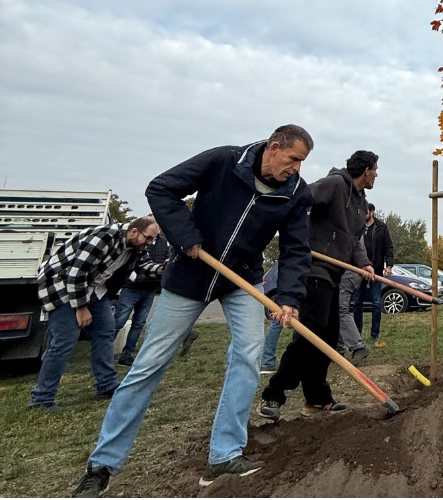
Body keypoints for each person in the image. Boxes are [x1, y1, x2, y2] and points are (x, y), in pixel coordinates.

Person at [73, 125, 314, 497]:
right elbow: (161, 188)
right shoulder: (223, 161)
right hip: (189, 275)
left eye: (302, 162)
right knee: (148, 364)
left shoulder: (296, 194)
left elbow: (296, 250)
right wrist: (185, 236)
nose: (297, 168)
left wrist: (290, 297)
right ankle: (102, 464)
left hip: (241, 281)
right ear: (274, 147)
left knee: (249, 356)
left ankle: (224, 454)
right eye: (294, 159)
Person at [258, 150, 378, 422]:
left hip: (334, 273)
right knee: (310, 335)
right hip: (313, 269)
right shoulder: (335, 184)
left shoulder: (361, 204)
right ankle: (274, 395)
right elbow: (302, 197)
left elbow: (354, 242)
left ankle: (316, 399)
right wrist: (298, 237)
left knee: (327, 338)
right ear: (366, 170)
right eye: (375, 170)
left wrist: (365, 263)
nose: (376, 175)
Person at [30, 216, 164, 412]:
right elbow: (76, 274)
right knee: (65, 340)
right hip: (62, 287)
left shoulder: (134, 248)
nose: (149, 243)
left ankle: (106, 385)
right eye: (149, 238)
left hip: (94, 289)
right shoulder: (104, 236)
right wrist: (81, 307)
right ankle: (41, 398)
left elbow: (142, 266)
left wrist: (162, 269)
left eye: (153, 240)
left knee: (105, 332)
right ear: (134, 231)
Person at [112, 229, 170, 367]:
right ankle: (105, 354)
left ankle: (127, 356)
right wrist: (135, 278)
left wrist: (163, 267)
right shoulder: (139, 242)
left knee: (139, 324)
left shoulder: (163, 243)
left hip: (150, 288)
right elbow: (131, 263)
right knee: (119, 322)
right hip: (131, 288)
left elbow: (166, 258)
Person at [353, 203, 394, 345]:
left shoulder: (381, 227)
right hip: (360, 270)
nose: (364, 214)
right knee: (357, 302)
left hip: (376, 270)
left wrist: (388, 266)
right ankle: (357, 333)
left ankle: (374, 334)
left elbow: (388, 247)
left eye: (366, 212)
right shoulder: (358, 227)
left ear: (372, 213)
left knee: (376, 302)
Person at [338, 267, 372, 366]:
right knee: (335, 312)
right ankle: (338, 349)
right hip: (346, 274)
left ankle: (358, 347)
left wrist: (365, 264)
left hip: (346, 275)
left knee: (341, 311)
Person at [259, 265, 285, 374]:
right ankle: (268, 361)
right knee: (278, 322)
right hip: (286, 288)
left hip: (282, 287)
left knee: (277, 323)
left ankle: (268, 360)